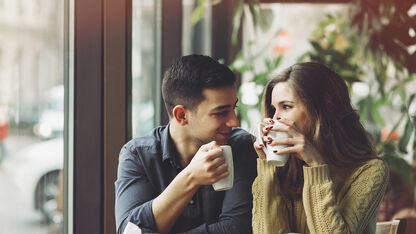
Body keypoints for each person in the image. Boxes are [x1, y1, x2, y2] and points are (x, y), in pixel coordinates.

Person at [115, 54, 258, 234]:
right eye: (221, 112)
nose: (234, 122)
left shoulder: (240, 146)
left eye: (233, 108)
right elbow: (130, 230)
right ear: (181, 115)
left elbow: (236, 228)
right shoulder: (138, 155)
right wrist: (191, 176)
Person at [252, 62, 389, 234]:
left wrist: (316, 165)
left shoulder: (369, 170)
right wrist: (267, 166)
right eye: (273, 109)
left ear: (321, 110)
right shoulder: (284, 167)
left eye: (286, 106)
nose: (275, 118)